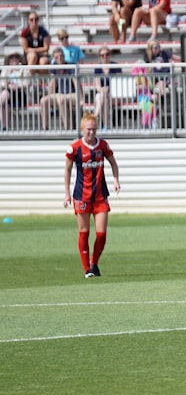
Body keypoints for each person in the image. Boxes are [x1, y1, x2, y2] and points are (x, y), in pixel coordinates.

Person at [64, 112, 121, 278]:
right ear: (82, 129)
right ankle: (86, 269)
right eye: (88, 129)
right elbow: (67, 170)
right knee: (84, 232)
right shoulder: (74, 148)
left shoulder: (102, 145)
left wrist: (116, 180)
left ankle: (94, 263)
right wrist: (67, 193)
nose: (91, 132)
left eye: (94, 129)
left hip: (100, 196)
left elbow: (113, 164)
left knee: (101, 234)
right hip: (81, 196)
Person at [39, 47, 77, 130]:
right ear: (54, 58)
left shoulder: (70, 66)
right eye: (56, 57)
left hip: (71, 93)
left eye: (61, 56)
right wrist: (50, 97)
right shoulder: (54, 68)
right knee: (43, 100)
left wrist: (81, 99)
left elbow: (76, 82)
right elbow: (53, 83)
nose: (59, 58)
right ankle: (44, 127)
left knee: (61, 99)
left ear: (64, 56)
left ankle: (67, 128)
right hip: (59, 95)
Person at [93, 46, 122, 130]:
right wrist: (103, 89)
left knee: (102, 97)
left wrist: (109, 88)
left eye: (107, 54)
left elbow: (119, 83)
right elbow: (97, 86)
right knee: (103, 97)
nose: (105, 57)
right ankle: (104, 126)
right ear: (99, 56)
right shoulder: (98, 68)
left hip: (115, 94)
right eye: (102, 55)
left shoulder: (116, 66)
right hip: (103, 95)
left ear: (110, 55)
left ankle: (94, 117)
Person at [0, 52, 29, 130]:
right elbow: (2, 83)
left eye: (16, 57)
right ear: (9, 60)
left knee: (4, 95)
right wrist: (8, 86)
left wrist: (16, 85)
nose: (14, 59)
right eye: (12, 58)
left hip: (19, 93)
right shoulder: (5, 70)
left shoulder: (24, 69)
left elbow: (26, 83)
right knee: (5, 102)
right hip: (8, 92)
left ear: (19, 59)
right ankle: (4, 127)